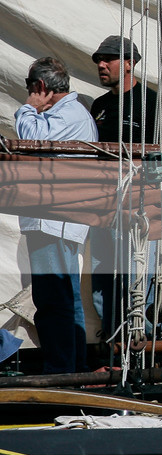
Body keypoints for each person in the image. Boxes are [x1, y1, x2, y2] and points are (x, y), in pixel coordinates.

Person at [86, 35, 162, 342]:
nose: (101, 65)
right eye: (98, 60)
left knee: (137, 277)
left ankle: (143, 341)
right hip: (103, 205)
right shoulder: (99, 106)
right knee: (102, 281)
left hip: (140, 203)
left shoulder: (153, 103)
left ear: (129, 63)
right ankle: (114, 342)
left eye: (108, 59)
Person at [15, 57, 98, 373]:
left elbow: (30, 142)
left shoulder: (68, 115)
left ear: (39, 86)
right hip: (56, 221)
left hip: (53, 221)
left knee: (53, 301)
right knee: (65, 299)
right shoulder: (70, 115)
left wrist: (28, 108)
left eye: (30, 88)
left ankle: (61, 370)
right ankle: (71, 369)